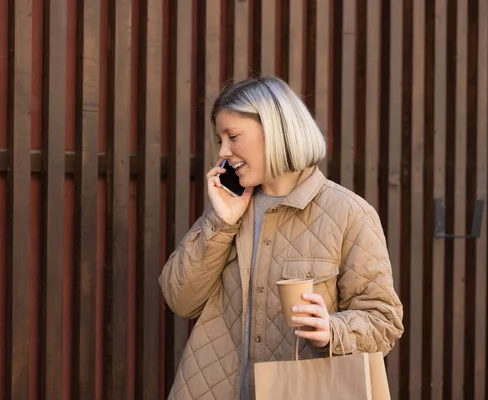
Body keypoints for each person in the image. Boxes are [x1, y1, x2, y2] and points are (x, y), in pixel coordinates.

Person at [159, 76, 404, 400]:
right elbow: (180, 299)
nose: (223, 151)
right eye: (220, 139)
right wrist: (221, 222)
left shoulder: (349, 213)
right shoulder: (228, 209)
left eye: (233, 136)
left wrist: (332, 330)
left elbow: (383, 320)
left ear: (276, 131)